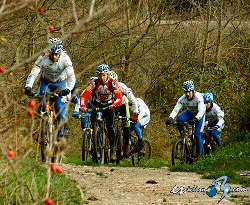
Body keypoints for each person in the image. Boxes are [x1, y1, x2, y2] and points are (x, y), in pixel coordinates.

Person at [25, 37, 76, 137]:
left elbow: (72, 78)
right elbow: (33, 74)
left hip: (60, 84)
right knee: (42, 103)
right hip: (46, 83)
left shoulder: (65, 59)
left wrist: (68, 89)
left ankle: (62, 131)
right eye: (52, 53)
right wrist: (28, 86)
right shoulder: (42, 57)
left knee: (59, 107)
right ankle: (43, 130)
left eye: (56, 54)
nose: (54, 56)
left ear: (60, 53)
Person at [80, 64, 123, 162]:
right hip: (98, 104)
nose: (101, 77)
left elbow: (119, 97)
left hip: (109, 105)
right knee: (93, 121)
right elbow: (84, 96)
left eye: (103, 75)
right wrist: (83, 106)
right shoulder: (94, 82)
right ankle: (94, 139)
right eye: (99, 75)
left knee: (110, 126)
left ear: (107, 74)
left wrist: (115, 104)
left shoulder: (113, 83)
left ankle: (112, 150)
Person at [166, 80, 206, 157]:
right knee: (179, 119)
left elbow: (201, 110)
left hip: (199, 115)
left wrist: (196, 119)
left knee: (197, 135)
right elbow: (176, 109)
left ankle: (199, 156)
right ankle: (183, 137)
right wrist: (171, 118)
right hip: (190, 112)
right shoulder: (183, 98)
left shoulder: (198, 97)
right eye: (185, 92)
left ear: (193, 91)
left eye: (189, 92)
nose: (187, 94)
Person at [109, 70, 139, 158]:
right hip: (112, 105)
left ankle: (126, 147)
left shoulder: (122, 86)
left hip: (123, 105)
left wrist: (135, 114)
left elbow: (133, 100)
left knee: (126, 126)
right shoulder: (105, 87)